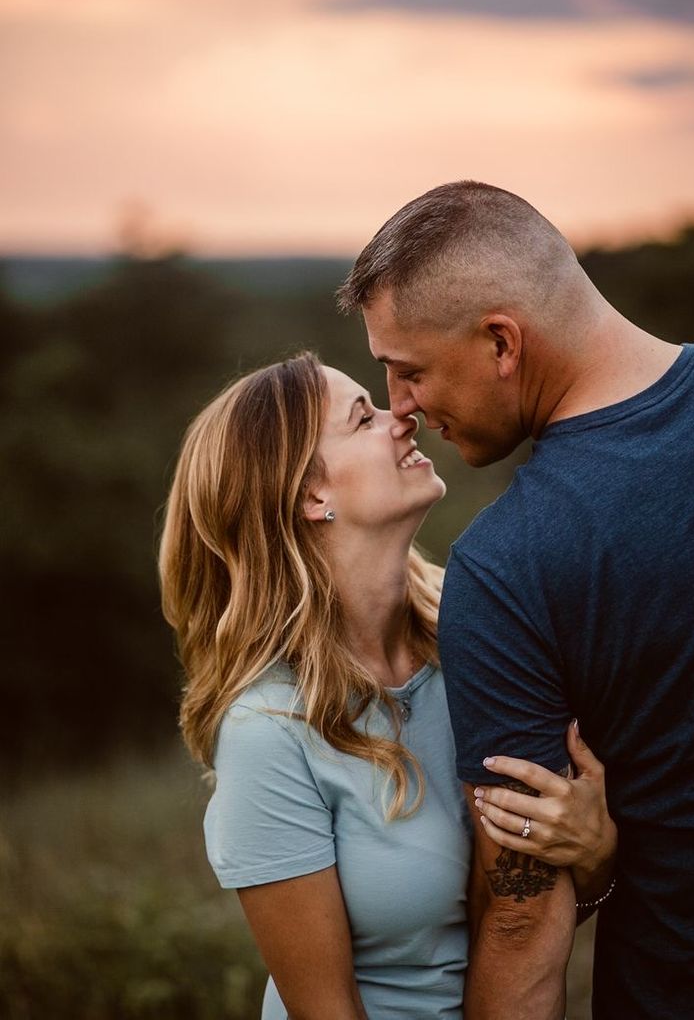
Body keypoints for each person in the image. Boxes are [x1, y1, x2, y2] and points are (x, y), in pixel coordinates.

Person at [337, 179, 694, 1020]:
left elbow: (524, 915)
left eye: (410, 373)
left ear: (501, 342)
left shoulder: (504, 570)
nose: (403, 409)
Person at [158, 352, 616, 1020]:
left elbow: (518, 916)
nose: (402, 415)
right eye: (363, 416)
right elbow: (325, 1010)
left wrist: (597, 857)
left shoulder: (478, 647)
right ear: (311, 495)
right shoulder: (269, 730)